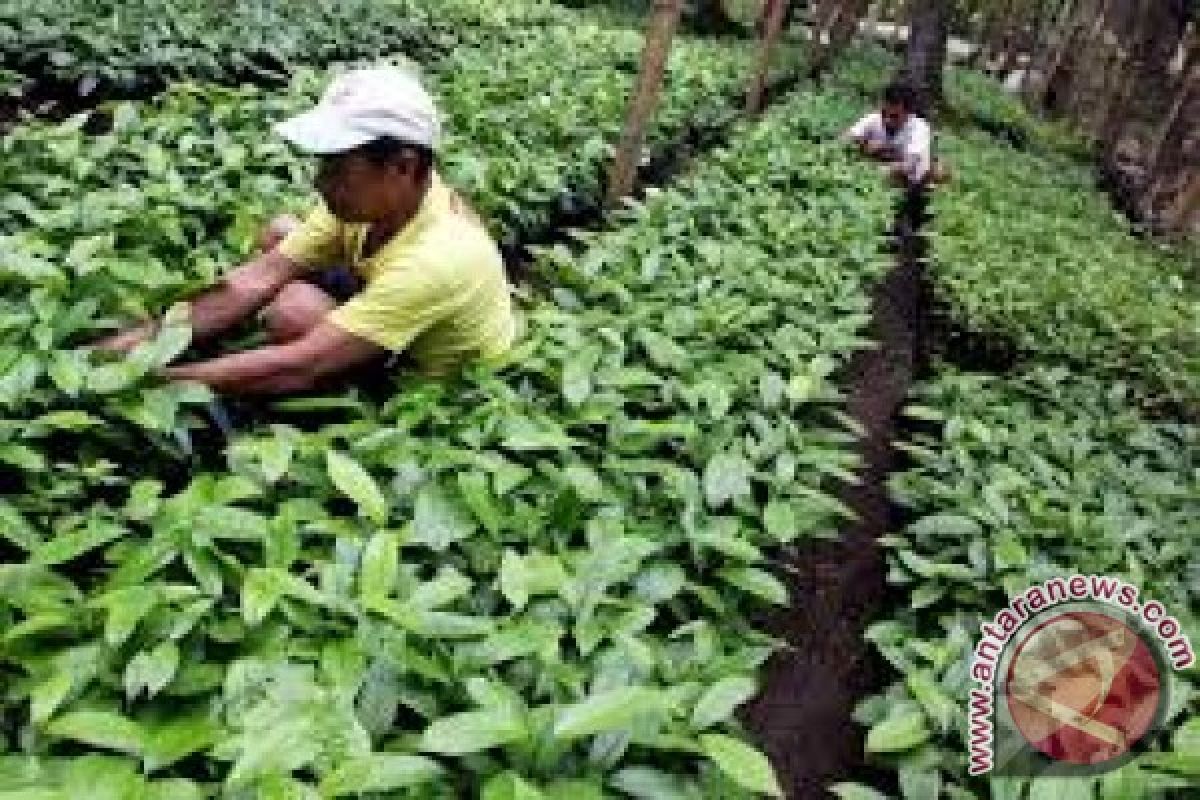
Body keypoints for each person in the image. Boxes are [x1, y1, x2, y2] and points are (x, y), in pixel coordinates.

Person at [95, 66, 517, 394]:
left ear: (402, 166)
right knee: (280, 234)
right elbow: (252, 281)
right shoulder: (386, 202)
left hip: (425, 377)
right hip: (389, 299)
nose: (320, 183)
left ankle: (349, 385)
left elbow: (299, 365)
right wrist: (125, 348)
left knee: (295, 311)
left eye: (337, 169)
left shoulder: (438, 259)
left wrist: (150, 381)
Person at [842, 82, 935, 189]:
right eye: (884, 113)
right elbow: (847, 137)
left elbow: (909, 165)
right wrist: (862, 143)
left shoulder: (918, 128)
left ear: (908, 113)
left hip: (909, 181)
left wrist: (881, 156)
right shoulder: (874, 118)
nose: (887, 120)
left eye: (894, 116)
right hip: (877, 172)